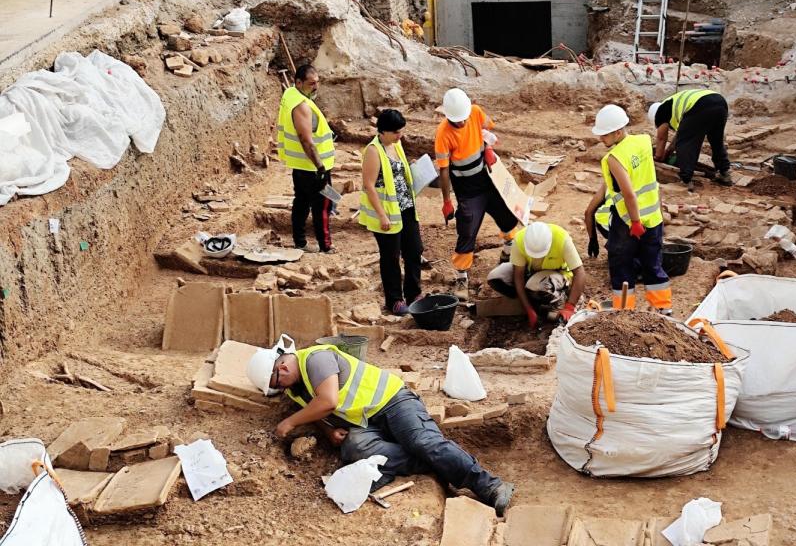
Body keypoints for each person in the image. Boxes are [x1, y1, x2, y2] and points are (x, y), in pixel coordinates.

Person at [246, 340, 515, 515]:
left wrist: (290, 422)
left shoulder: (316, 359)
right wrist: (328, 431)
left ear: (281, 366)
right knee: (354, 447)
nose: (280, 390)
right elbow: (316, 409)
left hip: (392, 401)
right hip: (366, 420)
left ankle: (491, 486)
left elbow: (327, 400)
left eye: (277, 384)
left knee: (422, 441)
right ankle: (439, 465)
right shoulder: (293, 387)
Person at [435, 88, 519, 300]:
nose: (462, 124)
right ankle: (462, 276)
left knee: (506, 214)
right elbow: (444, 170)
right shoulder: (443, 134)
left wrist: (488, 147)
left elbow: (489, 126)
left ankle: (509, 251)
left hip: (488, 179)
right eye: (457, 121)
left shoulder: (475, 112)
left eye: (463, 119)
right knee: (468, 226)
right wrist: (446, 201)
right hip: (467, 189)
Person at [592, 104, 673, 314]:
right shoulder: (643, 141)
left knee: (621, 264)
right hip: (654, 217)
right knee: (653, 262)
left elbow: (628, 193)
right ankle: (663, 307)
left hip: (629, 221)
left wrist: (635, 222)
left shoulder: (614, 158)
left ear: (617, 131)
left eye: (605, 135)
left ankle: (623, 312)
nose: (601, 139)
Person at [359, 109, 421, 316]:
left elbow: (398, 171)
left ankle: (414, 294)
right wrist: (382, 215)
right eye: (396, 132)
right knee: (391, 257)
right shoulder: (373, 151)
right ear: (383, 131)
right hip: (387, 213)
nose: (399, 135)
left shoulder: (396, 145)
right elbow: (369, 185)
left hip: (405, 207)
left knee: (414, 251)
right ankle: (394, 300)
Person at [277, 64, 335, 253]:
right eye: (311, 84)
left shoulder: (291, 94)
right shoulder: (302, 106)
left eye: (317, 82)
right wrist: (320, 166)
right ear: (299, 82)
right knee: (323, 206)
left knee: (301, 202)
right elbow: (306, 140)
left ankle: (299, 241)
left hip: (300, 165)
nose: (316, 87)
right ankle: (325, 246)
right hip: (313, 168)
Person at [486, 221, 587, 327]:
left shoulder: (561, 238)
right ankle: (532, 300)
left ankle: (560, 301)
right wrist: (528, 308)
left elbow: (580, 272)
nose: (537, 257)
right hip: (532, 273)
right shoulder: (520, 239)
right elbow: (518, 276)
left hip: (558, 275)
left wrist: (569, 307)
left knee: (536, 285)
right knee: (496, 277)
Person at [648, 89, 733, 187]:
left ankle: (686, 180)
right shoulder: (673, 105)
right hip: (720, 103)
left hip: (700, 105)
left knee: (686, 144)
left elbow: (661, 138)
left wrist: (658, 157)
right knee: (716, 140)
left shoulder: (661, 112)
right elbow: (680, 135)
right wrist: (668, 152)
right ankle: (724, 173)